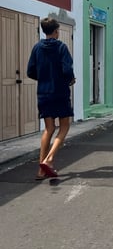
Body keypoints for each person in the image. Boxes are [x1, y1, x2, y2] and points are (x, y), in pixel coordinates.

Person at [27, 18, 76, 180]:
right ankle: (49, 159)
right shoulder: (61, 47)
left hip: (43, 93)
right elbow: (67, 69)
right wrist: (70, 79)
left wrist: (43, 78)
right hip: (60, 92)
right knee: (64, 126)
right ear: (56, 31)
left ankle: (41, 171)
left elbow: (30, 71)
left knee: (48, 129)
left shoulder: (37, 48)